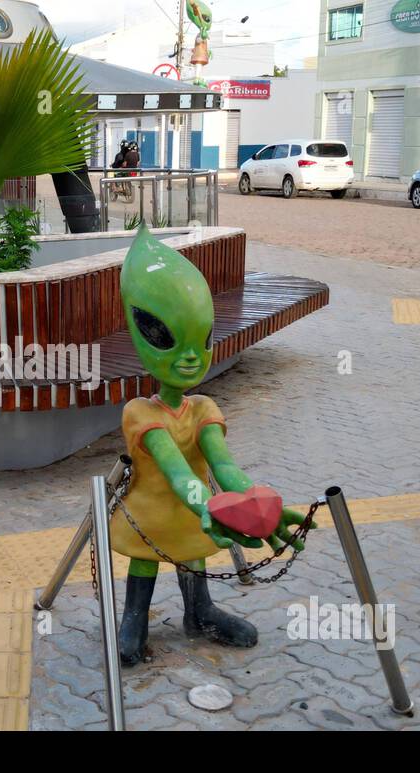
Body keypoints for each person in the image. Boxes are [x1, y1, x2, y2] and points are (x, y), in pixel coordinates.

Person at [110, 225, 310, 666]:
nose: (189, 357)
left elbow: (223, 464)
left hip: (195, 517)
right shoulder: (140, 412)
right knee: (146, 562)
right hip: (152, 515)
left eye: (199, 342)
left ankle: (199, 612)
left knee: (193, 556)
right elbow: (176, 470)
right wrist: (209, 507)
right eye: (166, 339)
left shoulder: (203, 408)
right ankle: (134, 618)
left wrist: (252, 499)